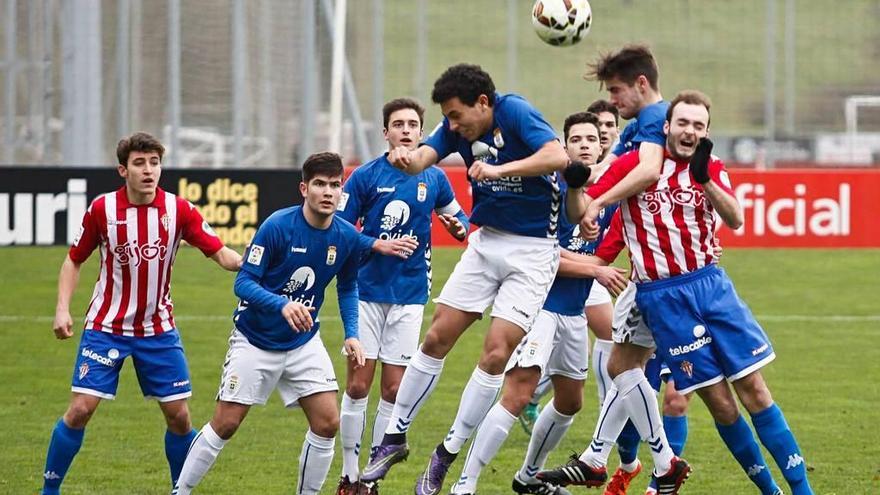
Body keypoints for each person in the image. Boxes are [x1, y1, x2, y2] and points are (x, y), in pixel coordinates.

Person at [550, 91, 811, 495]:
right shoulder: (636, 166)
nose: (690, 131)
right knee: (720, 404)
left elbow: (736, 218)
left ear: (706, 132)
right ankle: (770, 492)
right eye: (683, 123)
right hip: (664, 299)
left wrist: (706, 180)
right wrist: (581, 200)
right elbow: (582, 201)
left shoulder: (711, 167)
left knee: (755, 390)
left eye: (699, 125)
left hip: (712, 287)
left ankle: (802, 491)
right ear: (667, 126)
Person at [359, 63, 569, 495]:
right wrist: (406, 158)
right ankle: (394, 437)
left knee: (495, 354)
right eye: (447, 118)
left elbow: (557, 156)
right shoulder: (458, 128)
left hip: (532, 253)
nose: (451, 125)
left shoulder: (515, 112)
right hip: (486, 243)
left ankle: (446, 454)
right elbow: (422, 157)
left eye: (456, 115)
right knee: (437, 337)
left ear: (483, 104)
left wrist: (498, 171)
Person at [172, 152, 418, 495]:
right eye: (320, 184)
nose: (328, 192)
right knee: (226, 424)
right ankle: (180, 491)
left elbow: (347, 287)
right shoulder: (277, 226)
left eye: (335, 185)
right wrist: (282, 304)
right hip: (254, 339)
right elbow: (243, 282)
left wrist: (352, 335)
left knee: (328, 422)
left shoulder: (346, 236)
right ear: (305, 188)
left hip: (303, 343)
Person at [40, 132, 243, 495]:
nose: (149, 170)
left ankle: (180, 490)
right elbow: (74, 260)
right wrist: (61, 309)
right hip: (106, 326)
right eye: (139, 163)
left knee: (180, 417)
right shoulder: (102, 209)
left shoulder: (179, 210)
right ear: (123, 169)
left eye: (154, 162)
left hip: (158, 329)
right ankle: (49, 491)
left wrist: (251, 265)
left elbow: (221, 253)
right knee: (81, 409)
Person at [448, 112, 628, 495]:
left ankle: (529, 475)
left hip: (573, 314)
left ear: (601, 147)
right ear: (563, 146)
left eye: (590, 139)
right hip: (539, 309)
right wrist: (595, 272)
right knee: (518, 392)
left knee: (570, 401)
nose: (583, 144)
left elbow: (602, 257)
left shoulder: (607, 200)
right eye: (575, 138)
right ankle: (467, 482)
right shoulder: (553, 190)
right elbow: (545, 255)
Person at [545, 44, 690, 493]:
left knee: (647, 376)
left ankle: (656, 462)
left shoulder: (654, 120)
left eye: (616, 91)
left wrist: (597, 202)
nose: (612, 101)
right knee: (623, 365)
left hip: (666, 275)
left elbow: (645, 173)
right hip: (649, 269)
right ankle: (607, 458)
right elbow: (624, 175)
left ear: (641, 85)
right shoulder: (640, 128)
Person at [335, 97, 469, 494]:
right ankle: (349, 474)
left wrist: (459, 228)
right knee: (359, 386)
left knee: (393, 390)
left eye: (413, 124)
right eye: (398, 124)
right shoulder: (363, 177)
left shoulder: (434, 177)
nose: (406, 130)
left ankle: (372, 478)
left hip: (410, 296)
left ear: (421, 132)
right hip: (365, 293)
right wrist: (377, 245)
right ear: (386, 132)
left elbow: (458, 217)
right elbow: (341, 232)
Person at [518, 99, 621, 435]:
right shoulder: (558, 181)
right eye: (590, 133)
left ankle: (601, 418)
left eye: (605, 130)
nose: (599, 137)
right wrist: (596, 267)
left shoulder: (615, 178)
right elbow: (548, 251)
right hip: (555, 287)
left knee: (605, 342)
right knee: (609, 337)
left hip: (585, 281)